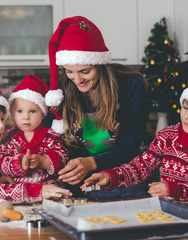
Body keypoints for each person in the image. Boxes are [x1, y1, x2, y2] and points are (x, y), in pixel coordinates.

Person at [81, 74, 188, 201]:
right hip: (167, 213)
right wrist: (110, 176)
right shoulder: (168, 136)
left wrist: (174, 190)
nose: (187, 115)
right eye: (184, 107)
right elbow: (141, 167)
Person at [44, 16, 152, 198]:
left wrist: (91, 163)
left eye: (85, 71)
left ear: (100, 65)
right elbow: (47, 136)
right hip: (85, 180)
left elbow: (130, 146)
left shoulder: (130, 85)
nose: (77, 80)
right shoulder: (64, 89)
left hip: (126, 177)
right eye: (70, 72)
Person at [0, 74, 68, 187]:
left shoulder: (52, 137)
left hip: (50, 191)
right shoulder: (9, 140)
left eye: (32, 111)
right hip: (20, 193)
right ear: (12, 114)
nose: (26, 117)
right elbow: (1, 161)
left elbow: (63, 158)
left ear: (43, 114)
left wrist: (43, 162)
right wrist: (19, 163)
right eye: (19, 111)